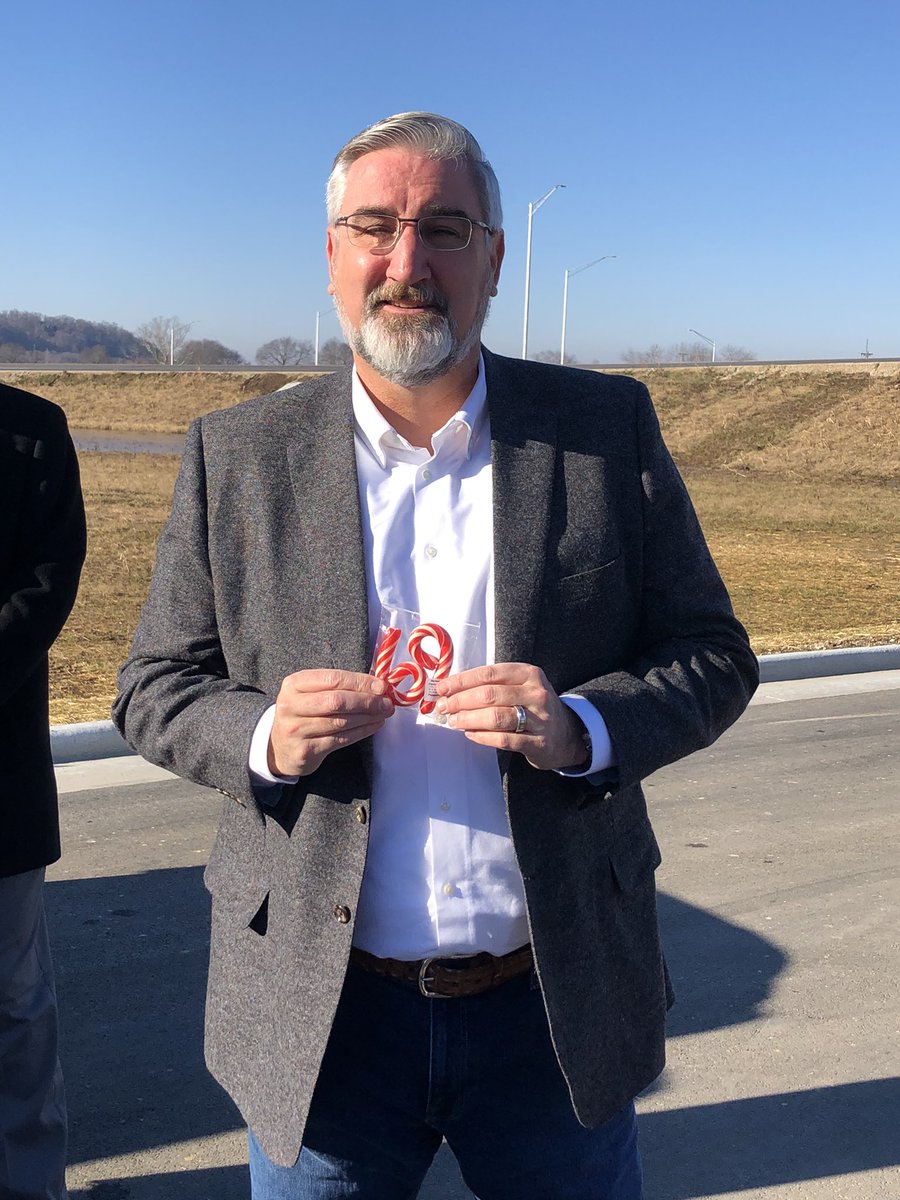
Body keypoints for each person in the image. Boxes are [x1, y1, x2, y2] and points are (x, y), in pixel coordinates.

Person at [114, 112, 758, 1199]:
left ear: (494, 259)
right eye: (375, 227)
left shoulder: (603, 429)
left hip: (552, 1002)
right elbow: (152, 686)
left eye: (445, 229)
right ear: (333, 254)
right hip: (322, 1012)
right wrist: (266, 736)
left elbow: (713, 655)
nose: (406, 261)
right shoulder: (241, 453)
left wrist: (581, 728)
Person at [1, 381, 86, 1200]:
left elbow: (46, 583)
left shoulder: (31, 430)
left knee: (12, 1006)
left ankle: (28, 1186)